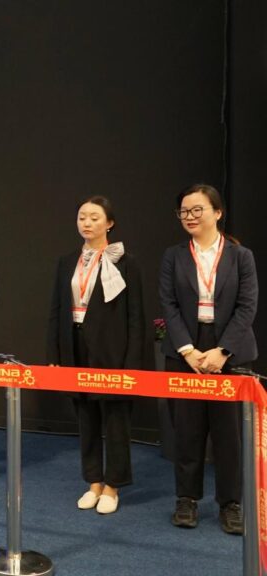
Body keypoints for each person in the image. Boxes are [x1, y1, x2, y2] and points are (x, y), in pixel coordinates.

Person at [161, 184, 257, 535]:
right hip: (186, 349)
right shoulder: (173, 256)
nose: (189, 217)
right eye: (184, 211)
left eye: (197, 210)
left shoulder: (240, 256)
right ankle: (186, 499)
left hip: (228, 349)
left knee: (228, 433)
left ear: (218, 212)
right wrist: (188, 350)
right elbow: (168, 305)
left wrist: (223, 350)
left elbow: (247, 306)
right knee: (187, 430)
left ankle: (231, 503)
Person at [47, 196, 143, 514]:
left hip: (113, 350)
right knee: (86, 418)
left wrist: (132, 363)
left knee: (115, 420)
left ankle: (113, 486)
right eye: (82, 217)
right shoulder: (66, 261)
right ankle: (93, 482)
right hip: (74, 346)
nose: (86, 223)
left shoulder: (127, 262)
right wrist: (54, 354)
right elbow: (56, 310)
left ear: (109, 223)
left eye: (94, 217)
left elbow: (136, 317)